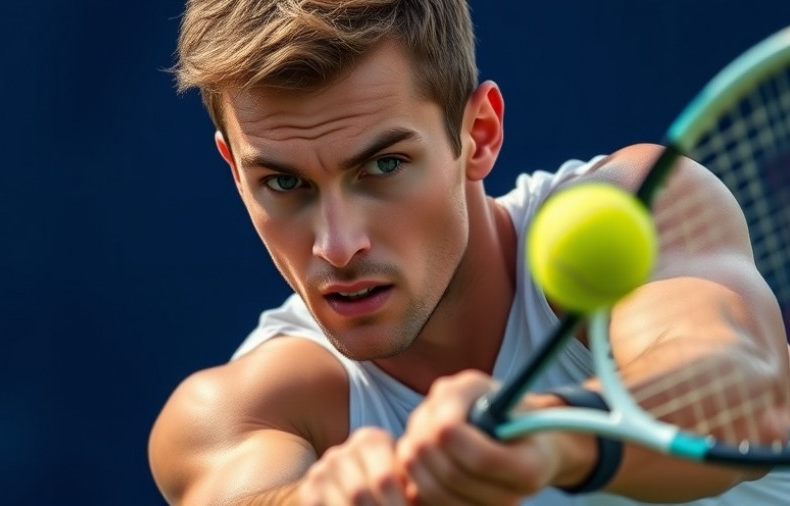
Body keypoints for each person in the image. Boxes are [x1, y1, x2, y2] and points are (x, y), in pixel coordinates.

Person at [148, 1, 790, 504]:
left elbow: (741, 389)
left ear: (478, 135)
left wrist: (549, 436)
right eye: (283, 183)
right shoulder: (242, 412)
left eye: (385, 165)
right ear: (235, 170)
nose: (338, 247)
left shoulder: (636, 206)